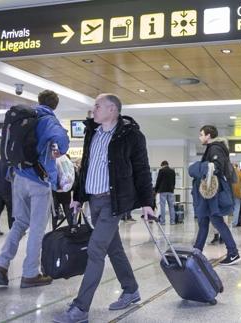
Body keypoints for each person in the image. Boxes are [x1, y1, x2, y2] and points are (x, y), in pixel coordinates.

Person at [53, 94, 155, 323]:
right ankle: (131, 289)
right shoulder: (92, 132)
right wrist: (78, 197)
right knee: (113, 249)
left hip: (113, 201)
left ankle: (80, 309)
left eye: (97, 106)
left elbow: (142, 170)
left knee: (95, 249)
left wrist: (148, 203)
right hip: (94, 201)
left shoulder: (131, 136)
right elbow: (86, 166)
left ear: (112, 109)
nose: (93, 110)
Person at [0, 90, 69, 288]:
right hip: (39, 180)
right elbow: (62, 140)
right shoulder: (48, 119)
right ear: (55, 105)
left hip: (18, 177)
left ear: (38, 100)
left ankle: (1, 264)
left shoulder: (25, 116)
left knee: (19, 223)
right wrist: (60, 150)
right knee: (37, 227)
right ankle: (30, 273)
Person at [189, 125, 241, 266]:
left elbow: (216, 167)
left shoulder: (215, 148)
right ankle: (196, 252)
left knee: (216, 221)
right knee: (204, 222)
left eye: (201, 134)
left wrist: (199, 168)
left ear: (208, 135)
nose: (200, 137)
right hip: (211, 194)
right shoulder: (215, 148)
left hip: (212, 194)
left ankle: (233, 252)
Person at [154, 160, 176, 225]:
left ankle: (162, 222)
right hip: (171, 191)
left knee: (162, 206)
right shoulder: (172, 171)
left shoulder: (161, 171)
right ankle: (172, 221)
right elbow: (174, 181)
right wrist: (172, 188)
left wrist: (155, 190)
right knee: (171, 206)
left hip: (162, 191)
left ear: (163, 165)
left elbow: (158, 181)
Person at [230, 163, 241, 227]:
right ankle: (234, 222)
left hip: (229, 193)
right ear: (237, 167)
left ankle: (224, 222)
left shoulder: (228, 173)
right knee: (237, 207)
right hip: (238, 193)